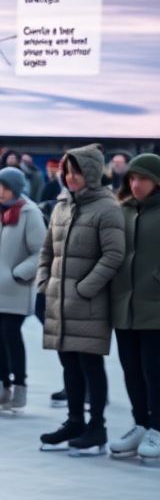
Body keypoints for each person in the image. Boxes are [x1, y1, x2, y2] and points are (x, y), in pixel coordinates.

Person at [37, 144, 125, 455]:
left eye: (75, 171)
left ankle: (96, 427)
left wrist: (86, 288)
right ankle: (74, 421)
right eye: (66, 171)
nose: (70, 177)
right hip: (60, 299)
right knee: (69, 364)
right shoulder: (62, 206)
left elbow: (114, 254)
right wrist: (45, 282)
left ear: (90, 172)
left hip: (88, 302)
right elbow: (47, 250)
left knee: (90, 363)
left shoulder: (107, 208)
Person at [0, 167, 46, 413]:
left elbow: (42, 252)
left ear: (16, 188)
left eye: (6, 188)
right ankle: (1, 385)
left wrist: (18, 273)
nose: (0, 193)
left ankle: (20, 385)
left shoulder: (29, 213)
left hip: (15, 289)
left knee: (10, 335)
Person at [108, 153, 160, 461]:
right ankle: (140, 422)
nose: (135, 184)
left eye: (141, 178)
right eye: (131, 178)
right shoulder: (123, 211)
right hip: (124, 305)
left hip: (155, 306)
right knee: (131, 369)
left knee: (155, 370)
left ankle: (157, 427)